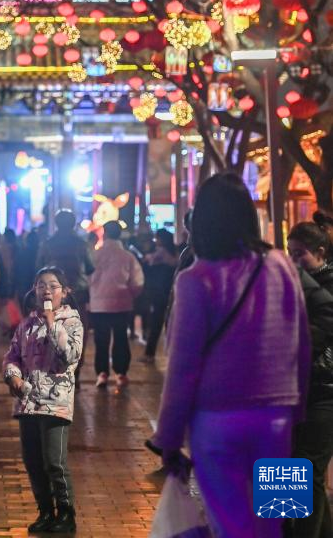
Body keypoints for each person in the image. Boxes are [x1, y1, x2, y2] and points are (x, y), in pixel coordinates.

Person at [152, 173, 310, 538]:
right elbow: (301, 343)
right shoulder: (282, 265)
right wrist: (298, 409)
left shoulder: (195, 279)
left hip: (218, 422)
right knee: (277, 520)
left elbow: (182, 366)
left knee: (233, 527)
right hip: (278, 419)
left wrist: (169, 437)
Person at [3, 265, 83, 534]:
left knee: (54, 462)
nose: (46, 290)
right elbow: (12, 355)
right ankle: (46, 511)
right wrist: (13, 376)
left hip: (55, 403)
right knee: (33, 461)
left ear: (65, 291)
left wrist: (52, 324)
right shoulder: (26, 324)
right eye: (41, 285)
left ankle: (66, 513)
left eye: (53, 286)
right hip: (27, 402)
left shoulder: (72, 322)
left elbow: (69, 356)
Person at [287, 220, 333, 538]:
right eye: (290, 253)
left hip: (323, 391)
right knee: (289, 468)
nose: (294, 260)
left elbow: (313, 341)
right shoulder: (291, 285)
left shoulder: (326, 289)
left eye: (300, 253)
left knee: (307, 470)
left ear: (320, 252)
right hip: (293, 391)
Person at [36, 211, 94, 378]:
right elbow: (90, 267)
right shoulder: (82, 244)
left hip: (53, 295)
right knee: (78, 332)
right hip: (78, 293)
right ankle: (75, 372)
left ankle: (55, 370)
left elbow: (38, 266)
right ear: (73, 224)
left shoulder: (48, 244)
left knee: (52, 330)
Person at [88, 221, 144, 391]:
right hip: (122, 302)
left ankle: (102, 372)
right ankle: (121, 372)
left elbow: (88, 278)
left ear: (104, 234)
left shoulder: (95, 255)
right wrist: (131, 294)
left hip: (98, 303)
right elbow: (137, 281)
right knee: (121, 337)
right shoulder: (127, 256)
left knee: (101, 339)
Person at [142, 228, 178, 361]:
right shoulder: (174, 252)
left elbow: (150, 260)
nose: (155, 240)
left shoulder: (161, 252)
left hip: (160, 292)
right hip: (170, 291)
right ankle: (171, 352)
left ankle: (149, 353)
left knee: (156, 321)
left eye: (157, 238)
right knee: (170, 321)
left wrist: (146, 258)